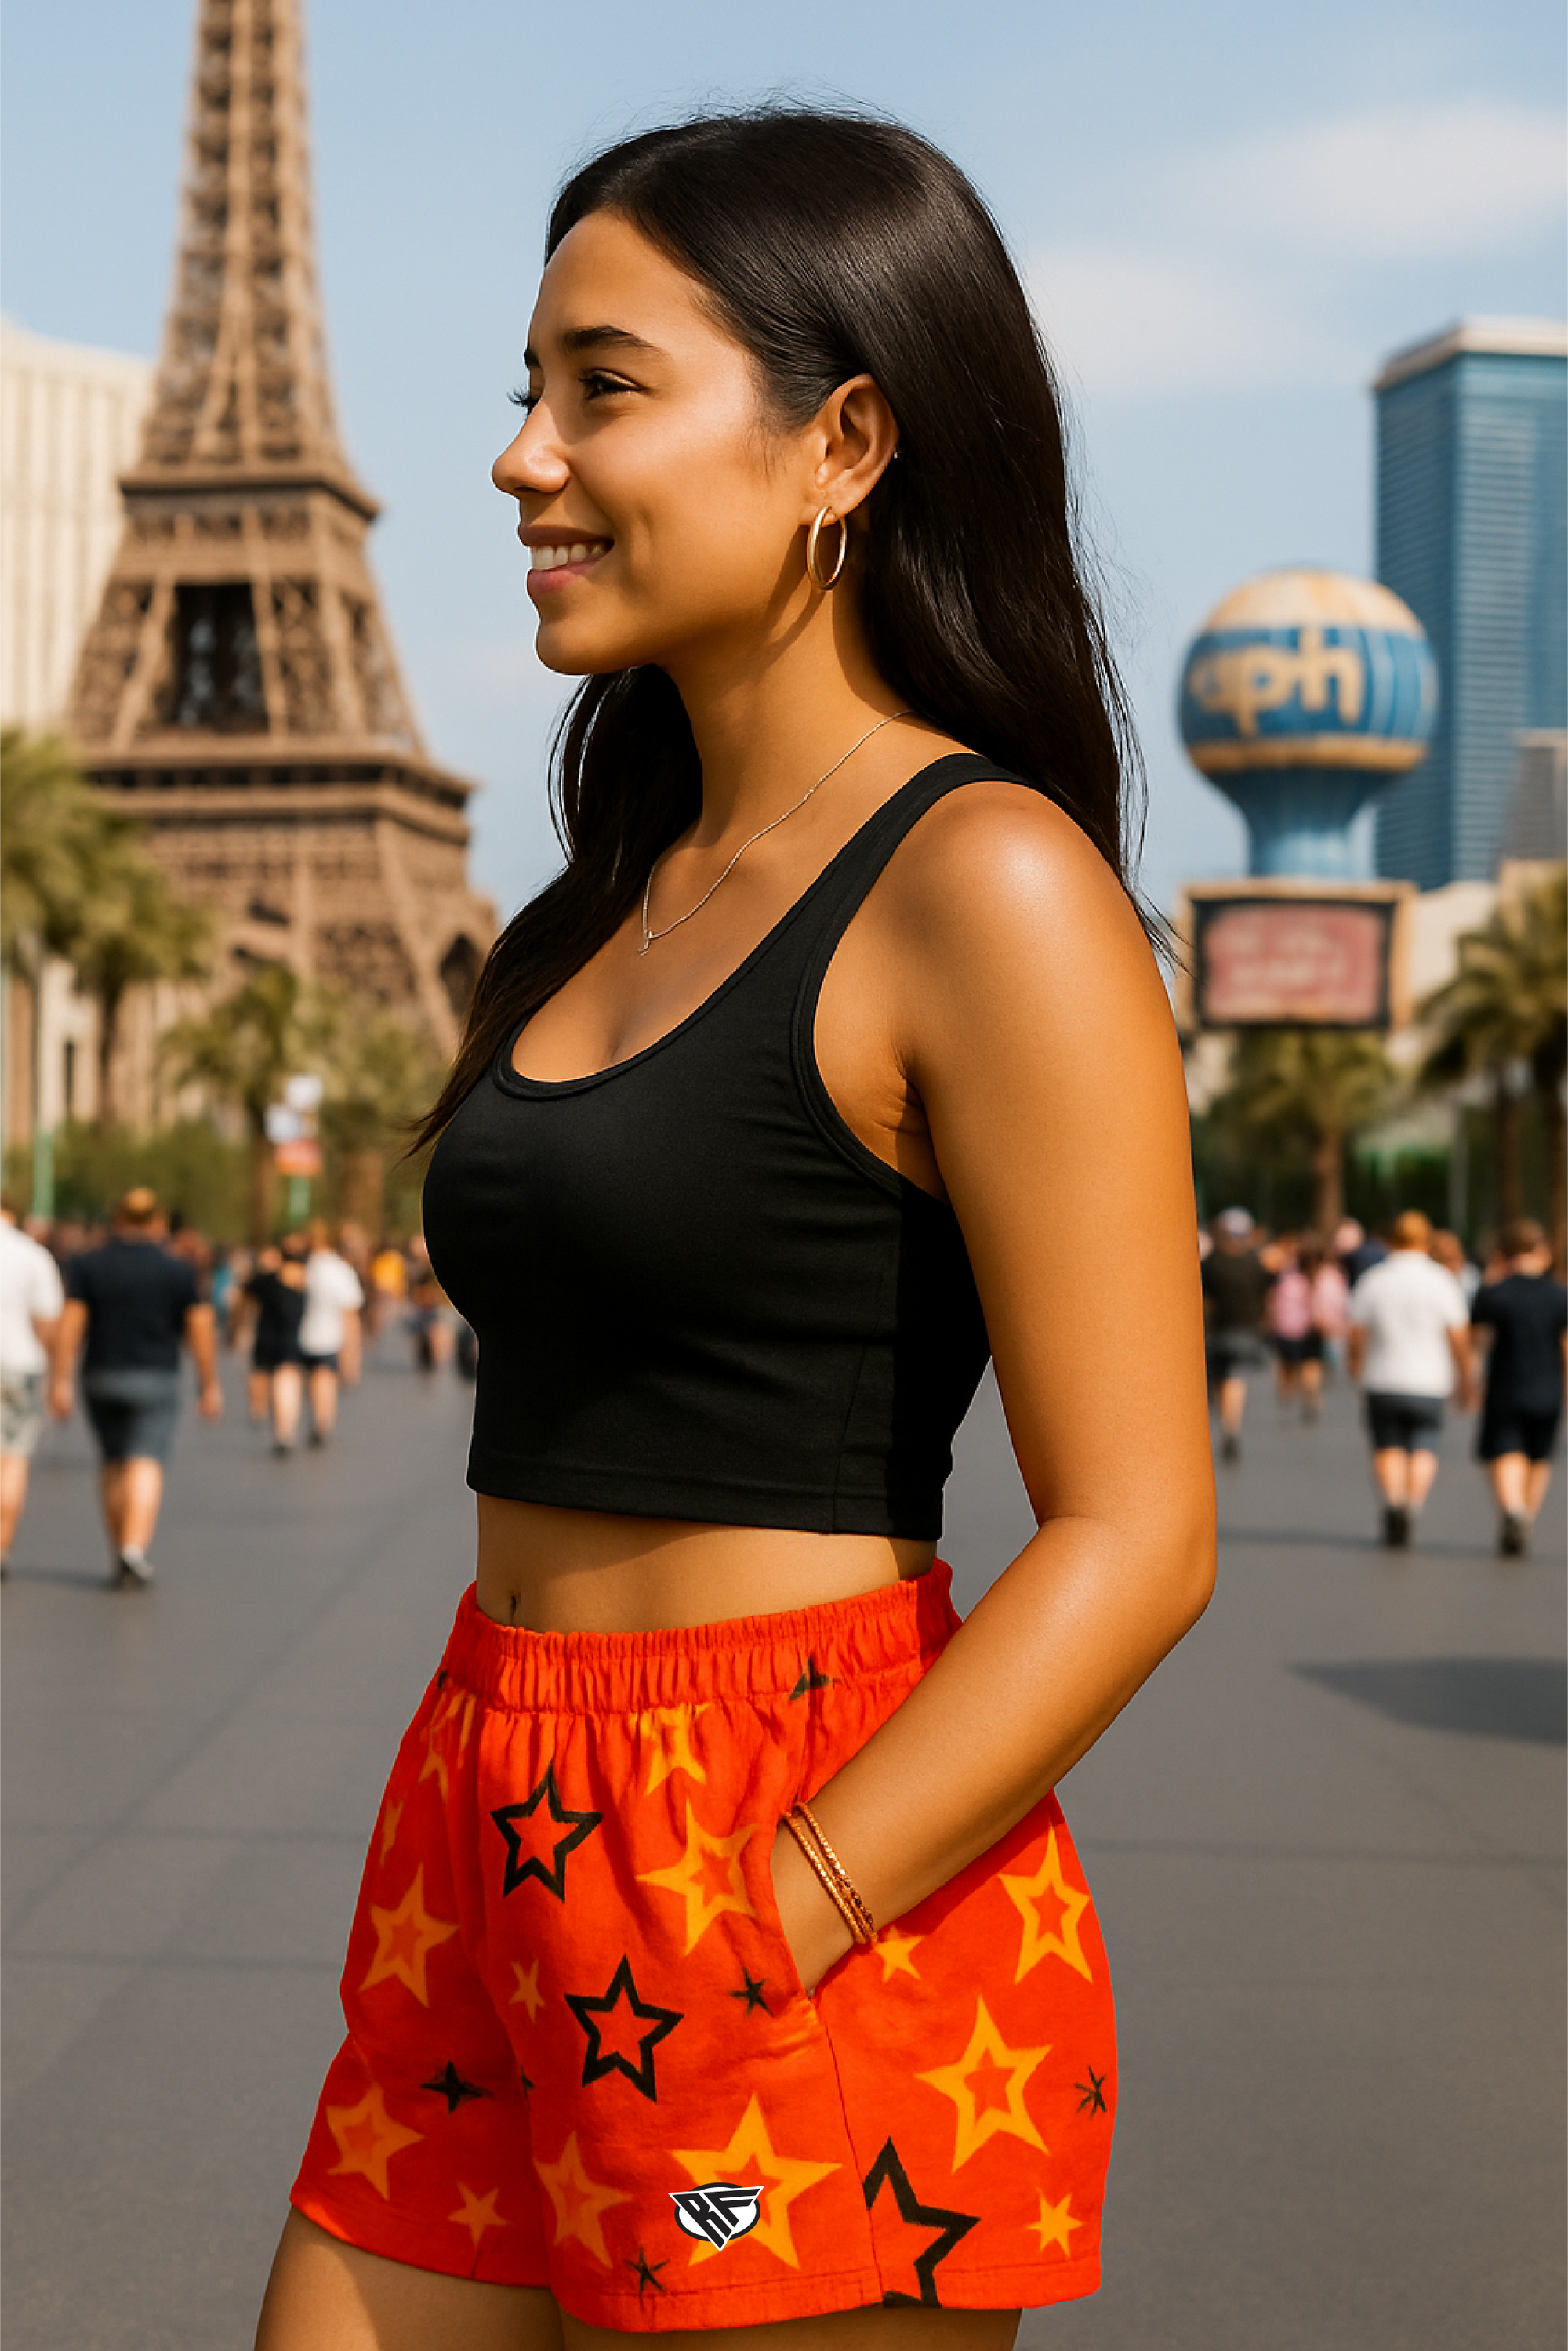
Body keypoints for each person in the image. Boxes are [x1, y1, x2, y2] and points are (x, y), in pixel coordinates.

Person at [256, 111, 1214, 2350]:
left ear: (842, 441)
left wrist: (774, 1901)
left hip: (791, 1854)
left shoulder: (988, 888)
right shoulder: (605, 898)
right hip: (489, 1816)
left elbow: (1139, 1527)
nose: (518, 459)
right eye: (526, 385)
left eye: (605, 385)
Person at [50, 1186, 222, 1585]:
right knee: (145, 1460)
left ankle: (118, 1549)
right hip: (156, 1375)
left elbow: (72, 1322)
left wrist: (59, 1379)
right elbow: (199, 1328)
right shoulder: (176, 1268)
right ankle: (134, 1548)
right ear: (158, 1222)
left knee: (112, 1462)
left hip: (102, 1374)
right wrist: (209, 1383)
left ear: (118, 1218)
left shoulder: (89, 1264)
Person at [1346, 1208, 1475, 1548]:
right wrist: (1467, 1379)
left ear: (1391, 1239)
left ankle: (1393, 1502)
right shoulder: (1442, 1280)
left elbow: (1356, 1332)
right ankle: (1412, 1506)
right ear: (1426, 1239)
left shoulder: (1375, 1279)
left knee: (1387, 1445)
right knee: (1424, 1445)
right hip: (1429, 1380)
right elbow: (1459, 1338)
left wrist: (1355, 1367)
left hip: (1383, 1377)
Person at [1468, 1217, 1568, 1555]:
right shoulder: (1559, 1294)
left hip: (1505, 1386)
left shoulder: (1495, 1294)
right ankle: (1525, 1514)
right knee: (1539, 1457)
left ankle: (1510, 1509)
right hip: (1548, 1387)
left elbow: (1476, 1337)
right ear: (1543, 1251)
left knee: (1505, 1451)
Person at [0, 1196, 65, 1576]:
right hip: (20, 1364)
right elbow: (47, 1320)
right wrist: (57, 1373)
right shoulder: (33, 1256)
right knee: (13, 1458)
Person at [1201, 1206, 1272, 1461]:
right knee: (1236, 1379)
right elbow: (1267, 1294)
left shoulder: (1212, 1263)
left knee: (1223, 1379)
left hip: (1218, 1330)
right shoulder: (1254, 1263)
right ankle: (1232, 1425)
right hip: (1246, 1329)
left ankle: (1227, 1423)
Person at [299, 1220, 365, 1446]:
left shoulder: (302, 1268)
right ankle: (323, 1422)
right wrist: (353, 1355)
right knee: (325, 1378)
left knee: (311, 1381)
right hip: (330, 1337)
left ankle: (316, 1419)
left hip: (302, 1335)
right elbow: (350, 1315)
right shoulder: (341, 1270)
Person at [246, 1235, 310, 1453]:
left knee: (262, 1375)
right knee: (287, 1383)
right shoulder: (306, 1280)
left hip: (265, 1337)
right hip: (291, 1338)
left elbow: (246, 1295)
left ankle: (260, 1410)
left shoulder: (268, 1279)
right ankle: (285, 1432)